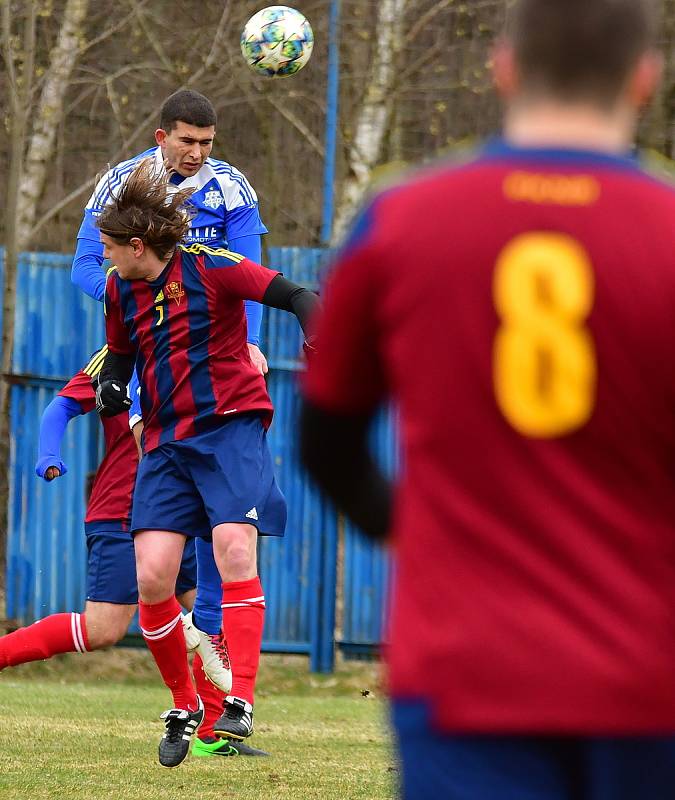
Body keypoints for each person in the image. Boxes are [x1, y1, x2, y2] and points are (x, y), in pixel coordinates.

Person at [300, 1, 675, 798]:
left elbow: (324, 444)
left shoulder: (401, 218)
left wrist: (412, 529)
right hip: (650, 671)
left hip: (465, 665)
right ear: (645, 78)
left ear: (502, 68)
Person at [94, 158, 319, 768]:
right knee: (152, 578)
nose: (104, 257)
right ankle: (183, 703)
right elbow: (117, 358)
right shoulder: (120, 289)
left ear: (138, 247)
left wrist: (315, 326)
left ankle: (238, 702)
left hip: (229, 431)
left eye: (110, 248)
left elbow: (297, 294)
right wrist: (112, 386)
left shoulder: (213, 268)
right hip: (166, 444)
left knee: (235, 550)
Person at [0, 348, 245, 759]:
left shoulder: (195, 342)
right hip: (122, 511)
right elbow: (59, 408)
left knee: (215, 616)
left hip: (183, 511)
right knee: (103, 630)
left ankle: (208, 734)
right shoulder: (114, 356)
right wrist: (48, 453)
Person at [72, 88, 269, 375]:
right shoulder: (120, 183)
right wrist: (132, 301)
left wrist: (250, 341)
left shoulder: (231, 186)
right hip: (151, 336)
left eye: (206, 143)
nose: (196, 153)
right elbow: (83, 266)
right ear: (162, 138)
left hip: (216, 335)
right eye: (187, 141)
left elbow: (252, 275)